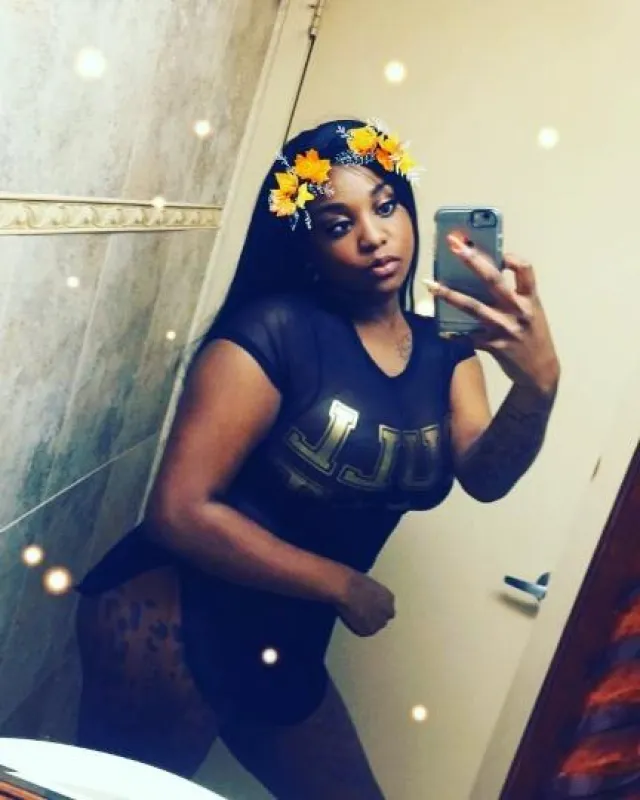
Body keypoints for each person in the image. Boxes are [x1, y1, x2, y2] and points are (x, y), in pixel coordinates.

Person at [74, 118, 560, 799]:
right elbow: (179, 512)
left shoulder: (448, 352)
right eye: (338, 224)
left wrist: (538, 386)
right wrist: (340, 584)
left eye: (385, 206)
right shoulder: (271, 333)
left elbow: (484, 476)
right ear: (306, 244)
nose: (373, 235)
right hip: (172, 613)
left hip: (286, 635)